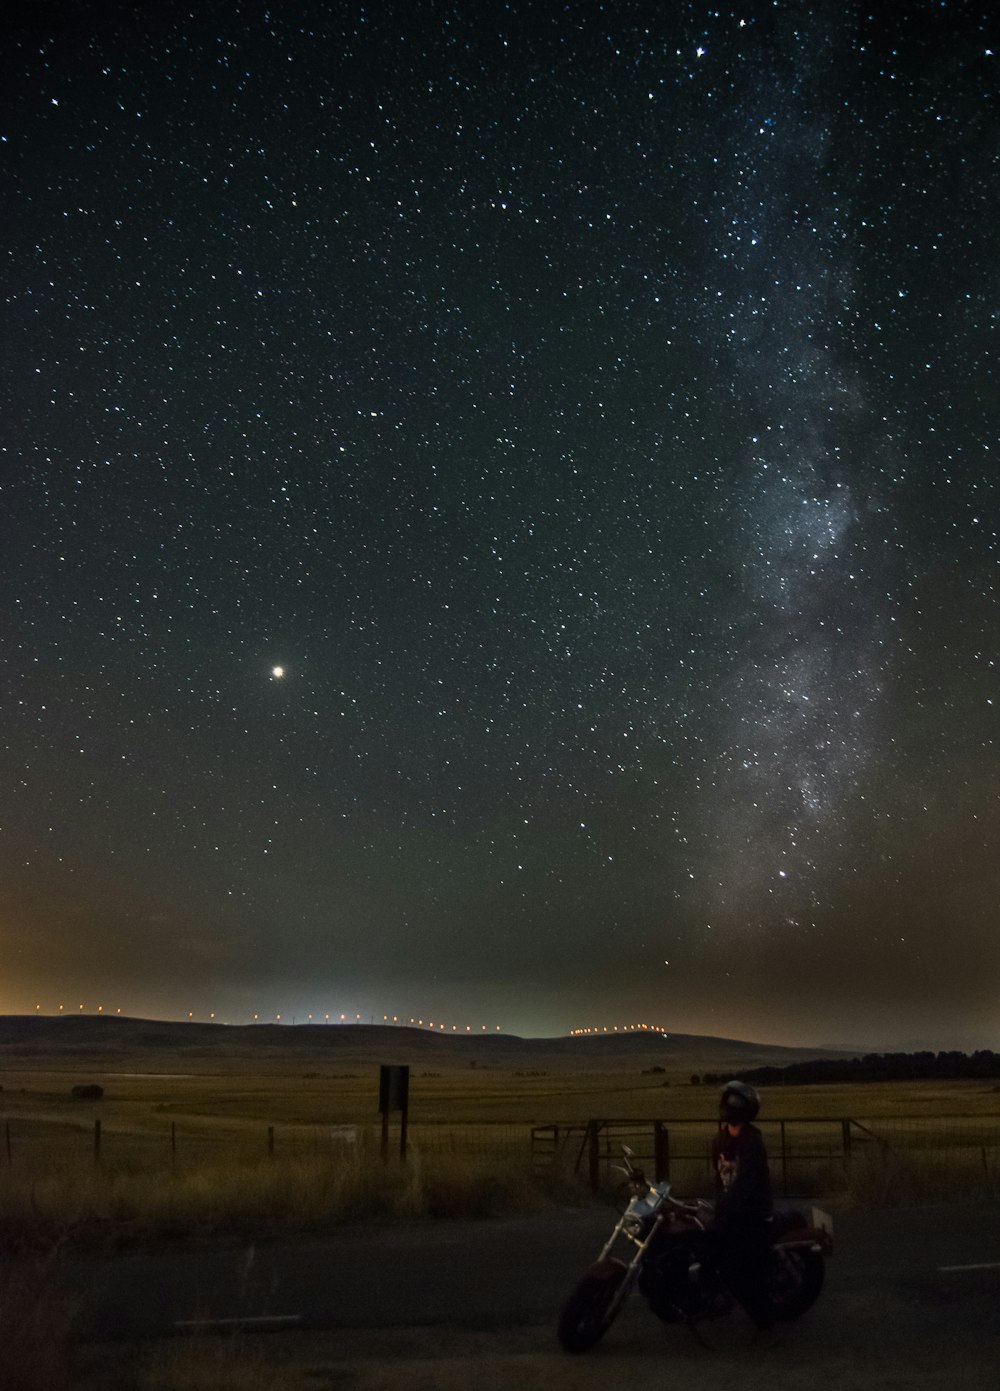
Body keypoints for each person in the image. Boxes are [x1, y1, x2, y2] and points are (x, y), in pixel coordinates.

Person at [709, 1079, 777, 1341]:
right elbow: (719, 1179)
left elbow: (747, 1182)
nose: (726, 1106)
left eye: (731, 1102)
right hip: (731, 1210)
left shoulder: (751, 1141)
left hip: (752, 1213)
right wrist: (716, 1205)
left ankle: (766, 1324)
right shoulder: (720, 1139)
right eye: (726, 1101)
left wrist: (723, 1208)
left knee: (735, 1269)